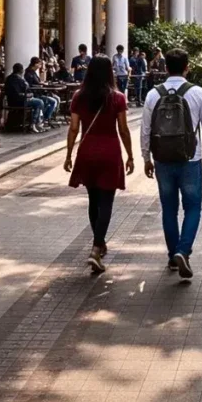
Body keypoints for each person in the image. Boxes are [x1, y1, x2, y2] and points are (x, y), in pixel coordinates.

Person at [141, 49, 202, 279]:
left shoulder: (152, 94)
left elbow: (145, 129)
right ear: (187, 66)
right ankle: (183, 250)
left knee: (169, 208)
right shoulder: (197, 93)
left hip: (162, 160)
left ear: (166, 67)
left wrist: (146, 157)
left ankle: (172, 255)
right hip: (191, 159)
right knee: (193, 207)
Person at [63, 55, 134, 274]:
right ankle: (96, 247)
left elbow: (74, 128)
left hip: (87, 151)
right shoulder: (118, 98)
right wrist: (130, 155)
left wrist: (68, 154)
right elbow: (123, 129)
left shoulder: (78, 96)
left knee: (93, 200)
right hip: (110, 152)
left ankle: (99, 243)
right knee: (106, 202)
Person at [5, 63, 46, 133]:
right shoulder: (18, 79)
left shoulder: (9, 78)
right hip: (19, 101)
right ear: (21, 71)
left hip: (11, 101)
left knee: (39, 102)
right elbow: (21, 92)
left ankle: (37, 122)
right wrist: (29, 95)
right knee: (39, 102)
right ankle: (34, 123)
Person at [26, 57, 60, 124]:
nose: (40, 66)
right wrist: (40, 84)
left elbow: (38, 81)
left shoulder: (33, 72)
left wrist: (41, 82)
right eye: (39, 64)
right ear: (35, 64)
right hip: (35, 94)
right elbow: (30, 85)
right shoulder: (29, 73)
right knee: (52, 101)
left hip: (39, 92)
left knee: (54, 99)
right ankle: (45, 118)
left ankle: (45, 118)